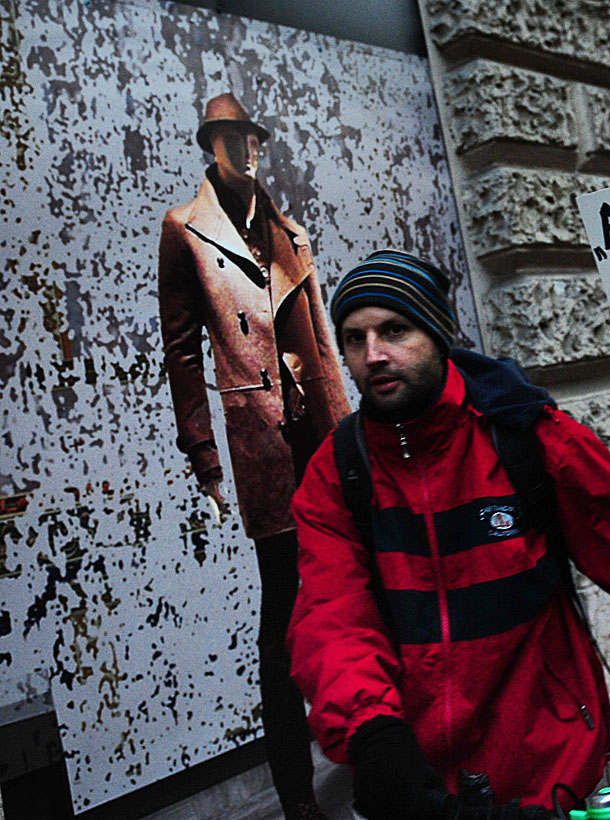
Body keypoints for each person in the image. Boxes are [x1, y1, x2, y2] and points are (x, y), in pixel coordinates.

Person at [285, 250, 610, 819]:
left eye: (395, 330)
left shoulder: (522, 435)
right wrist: (372, 732)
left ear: (438, 335)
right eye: (354, 338)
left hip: (551, 763)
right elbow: (332, 611)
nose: (373, 355)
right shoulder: (338, 469)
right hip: (420, 780)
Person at [158, 92, 349, 820]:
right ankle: (298, 800)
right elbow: (180, 351)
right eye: (231, 138)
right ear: (211, 145)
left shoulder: (288, 232)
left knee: (352, 583)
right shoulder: (187, 230)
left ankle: (378, 756)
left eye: (252, 139)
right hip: (261, 439)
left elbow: (324, 347)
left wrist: (350, 435)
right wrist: (202, 453)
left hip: (321, 436)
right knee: (282, 617)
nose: (246, 151)